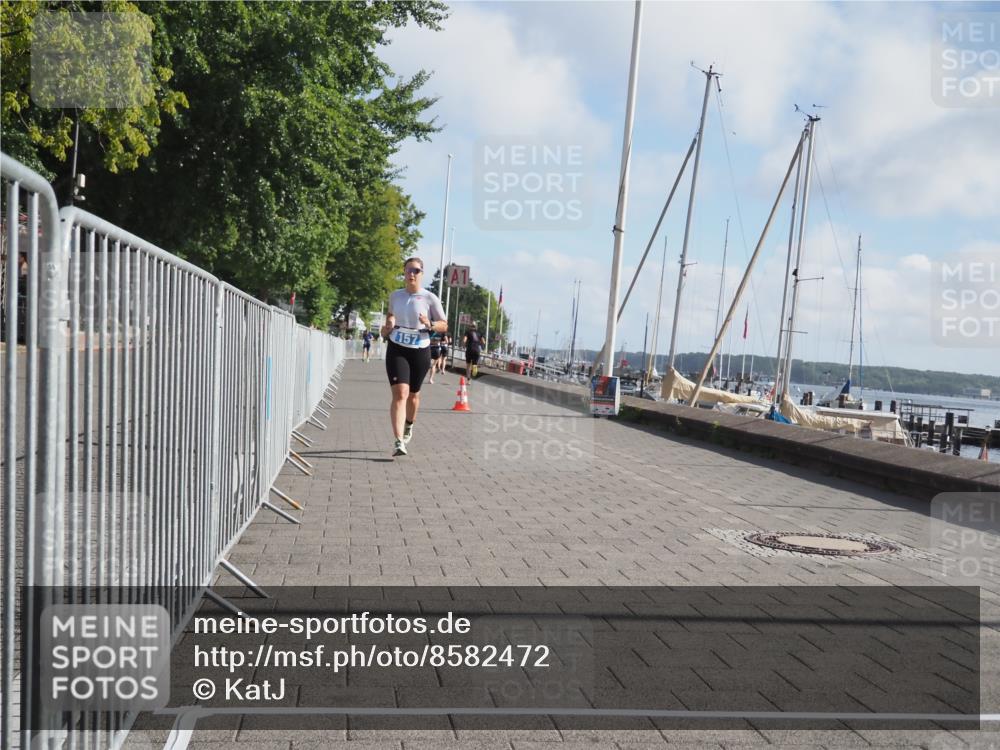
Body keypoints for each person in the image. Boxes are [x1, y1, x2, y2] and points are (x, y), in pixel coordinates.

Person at [380, 257, 447, 457]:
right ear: (404, 272)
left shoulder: (429, 298)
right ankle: (399, 441)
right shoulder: (395, 296)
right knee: (400, 393)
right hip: (397, 346)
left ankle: (409, 425)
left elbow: (444, 324)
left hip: (420, 348)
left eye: (416, 271)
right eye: (408, 270)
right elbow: (391, 314)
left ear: (421, 273)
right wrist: (389, 325)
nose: (411, 274)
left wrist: (430, 324)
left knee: (413, 396)